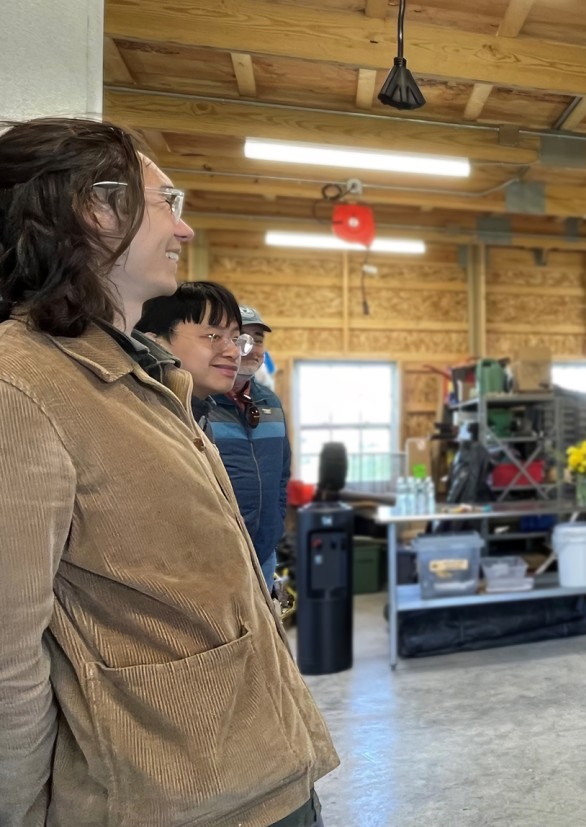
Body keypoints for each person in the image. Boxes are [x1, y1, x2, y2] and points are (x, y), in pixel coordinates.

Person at [0, 117, 336, 827]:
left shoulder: (143, 377)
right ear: (95, 208)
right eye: (167, 202)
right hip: (175, 801)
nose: (184, 231)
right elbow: (5, 657)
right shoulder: (20, 387)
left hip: (260, 771)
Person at [209, 304, 291, 592]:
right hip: (215, 557)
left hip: (265, 551)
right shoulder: (199, 402)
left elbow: (282, 474)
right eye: (243, 338)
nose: (253, 348)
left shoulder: (271, 403)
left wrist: (275, 524)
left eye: (258, 340)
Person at [134, 280, 250, 435]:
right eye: (213, 336)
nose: (234, 352)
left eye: (236, 339)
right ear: (155, 343)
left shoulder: (199, 417)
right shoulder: (141, 420)